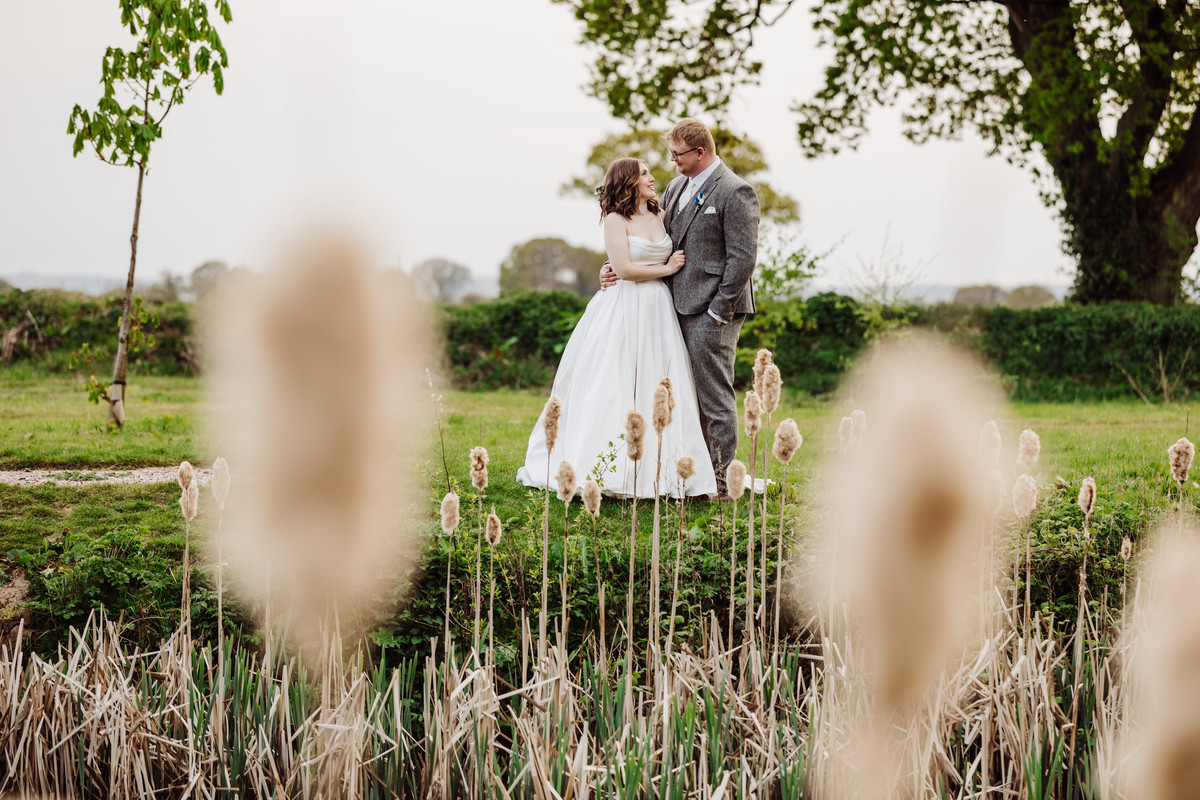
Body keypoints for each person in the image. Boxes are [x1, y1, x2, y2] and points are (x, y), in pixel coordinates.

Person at [516, 157, 719, 498]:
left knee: (658, 379)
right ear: (628, 181)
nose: (652, 177)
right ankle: (613, 465)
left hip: (657, 309)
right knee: (615, 380)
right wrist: (666, 269)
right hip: (623, 307)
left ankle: (662, 465)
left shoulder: (660, 212)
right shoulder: (614, 219)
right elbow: (623, 269)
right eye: (644, 173)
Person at [600, 119, 760, 497]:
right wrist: (613, 267)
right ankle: (694, 472)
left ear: (699, 152)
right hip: (670, 306)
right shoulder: (674, 188)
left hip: (713, 311)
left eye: (677, 154)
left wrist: (719, 310)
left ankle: (721, 482)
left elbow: (743, 259)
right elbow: (649, 239)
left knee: (713, 394)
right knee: (684, 391)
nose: (670, 161)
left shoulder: (736, 191)